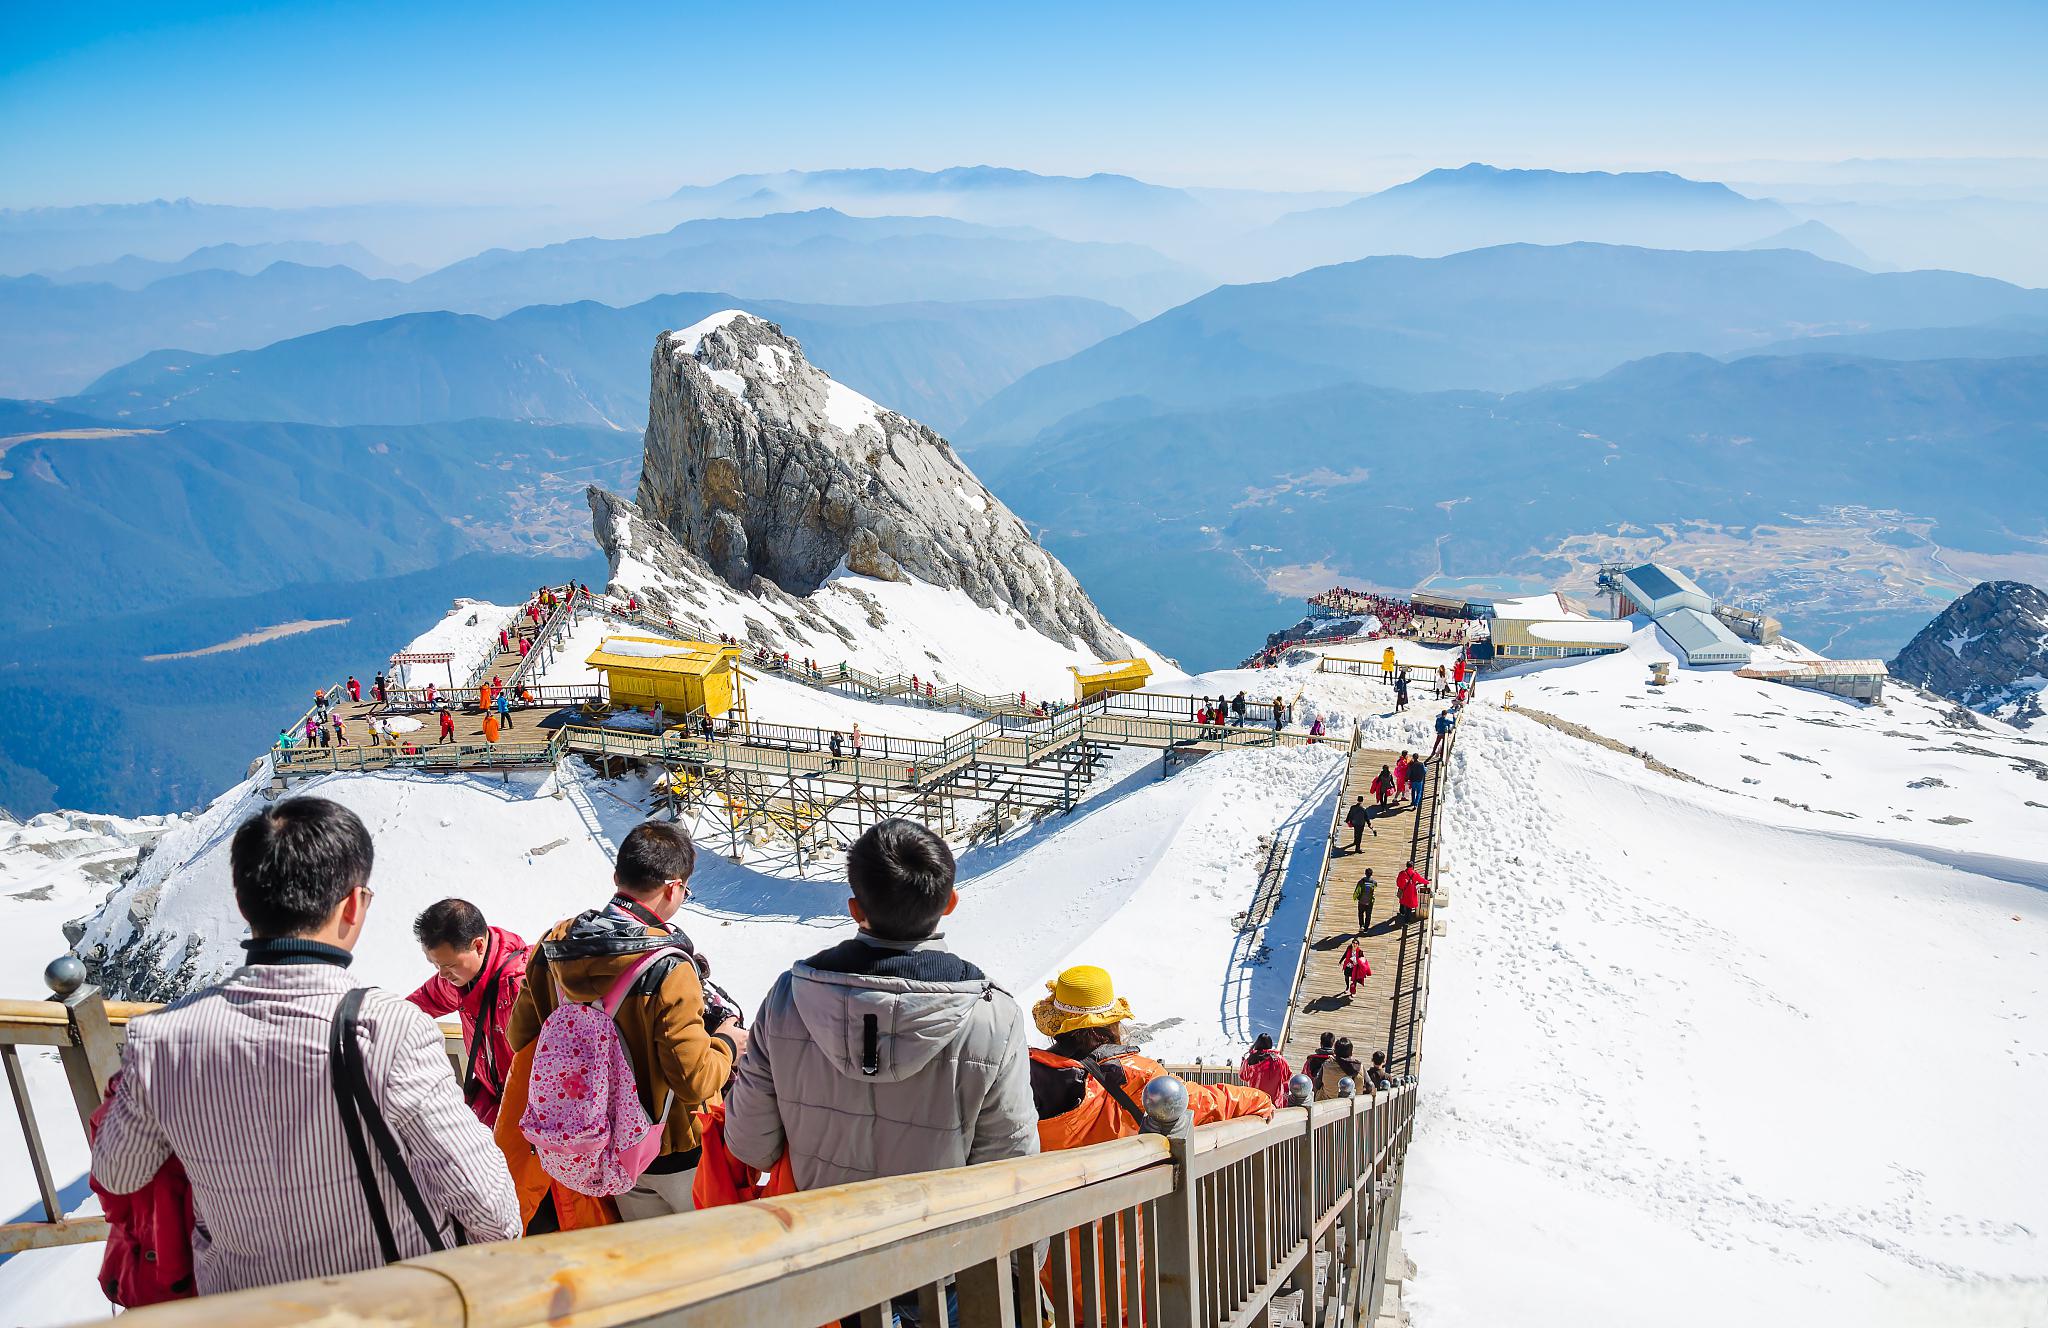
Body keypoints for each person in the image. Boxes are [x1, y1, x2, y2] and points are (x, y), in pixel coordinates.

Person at [90, 798, 519, 1294]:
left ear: (244, 903)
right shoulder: (390, 1032)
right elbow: (494, 1211)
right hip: (393, 1297)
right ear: (354, 905)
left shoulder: (160, 1040)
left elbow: (119, 1173)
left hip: (243, 1305)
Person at [723, 819, 1036, 1196]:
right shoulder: (992, 1016)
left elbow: (751, 1145)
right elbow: (1009, 1164)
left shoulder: (789, 998)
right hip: (939, 1243)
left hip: (819, 1238)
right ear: (950, 901)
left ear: (855, 909)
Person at [506, 821, 743, 1221]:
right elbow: (694, 1081)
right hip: (672, 1147)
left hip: (596, 1148)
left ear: (617, 878)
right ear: (673, 887)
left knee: (647, 1265)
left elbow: (519, 1038)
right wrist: (728, 1042)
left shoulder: (554, 946)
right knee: (705, 1264)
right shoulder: (668, 967)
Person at [406, 901, 528, 1130]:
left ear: (478, 946)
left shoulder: (519, 989)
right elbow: (421, 1003)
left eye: (449, 965)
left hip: (526, 1119)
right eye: (435, 965)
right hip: (495, 1101)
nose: (442, 974)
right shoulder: (462, 977)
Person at [1237, 1033, 1291, 1107]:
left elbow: (1243, 1076)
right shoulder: (1279, 1059)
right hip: (1274, 1101)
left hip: (1256, 1100)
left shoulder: (1251, 1059)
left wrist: (1243, 1063)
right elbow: (1287, 1077)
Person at [1397, 859, 1427, 926]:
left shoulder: (1402, 873)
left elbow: (1398, 883)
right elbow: (1421, 880)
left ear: (1406, 866)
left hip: (1404, 890)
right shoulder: (1414, 874)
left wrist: (1401, 887)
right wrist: (1427, 882)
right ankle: (1406, 921)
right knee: (1409, 906)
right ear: (1412, 866)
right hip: (1411, 892)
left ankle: (1402, 912)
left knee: (1402, 901)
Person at [1355, 867, 1376, 933]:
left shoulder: (1361, 881)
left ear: (1365, 873)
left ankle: (1361, 926)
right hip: (1369, 901)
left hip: (1361, 900)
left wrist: (1357, 897)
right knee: (1368, 915)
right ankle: (1366, 928)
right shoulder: (1374, 882)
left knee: (1360, 913)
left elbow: (1357, 890)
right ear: (1371, 874)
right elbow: (1374, 888)